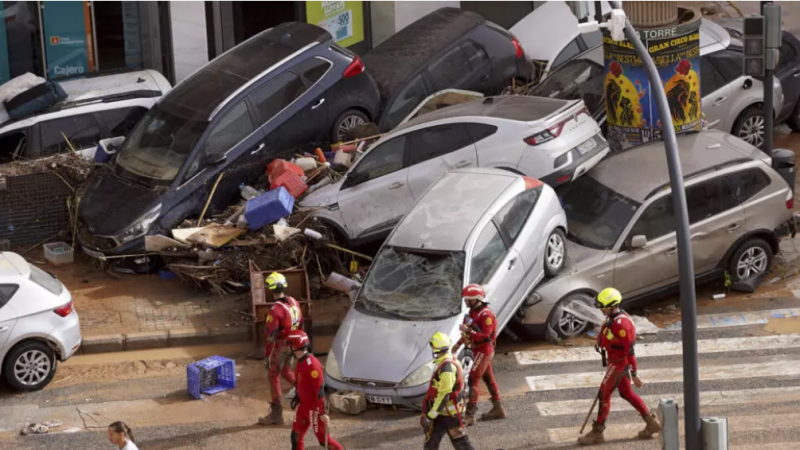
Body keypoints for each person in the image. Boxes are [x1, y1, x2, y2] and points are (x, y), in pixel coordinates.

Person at [578, 287, 662, 445]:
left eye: (603, 307)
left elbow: (629, 351)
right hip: (614, 361)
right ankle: (651, 423)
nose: (601, 310)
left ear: (612, 306)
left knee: (604, 394)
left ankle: (597, 433)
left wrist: (635, 374)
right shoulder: (613, 317)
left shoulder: (622, 324)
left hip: (618, 364)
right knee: (626, 393)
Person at [451, 284, 505, 426]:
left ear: (475, 299)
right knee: (488, 378)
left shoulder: (486, 315)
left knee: (473, 380)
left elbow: (486, 337)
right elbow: (467, 331)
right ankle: (498, 409)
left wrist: (469, 332)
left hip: (484, 350)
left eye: (467, 299)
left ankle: (470, 416)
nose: (465, 301)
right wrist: (458, 343)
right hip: (477, 350)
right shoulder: (471, 313)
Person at [286, 329, 344, 450]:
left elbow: (319, 390)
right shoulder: (300, 362)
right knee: (295, 437)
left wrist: (322, 413)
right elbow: (301, 383)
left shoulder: (312, 365)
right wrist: (297, 396)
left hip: (314, 409)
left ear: (296, 346)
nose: (289, 348)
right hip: (303, 407)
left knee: (324, 441)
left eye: (291, 344)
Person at [259, 271, 304, 426]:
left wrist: (267, 355)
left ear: (270, 289)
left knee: (273, 375)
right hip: (294, 342)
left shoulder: (275, 310)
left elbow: (271, 335)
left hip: (281, 345)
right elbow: (301, 324)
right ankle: (308, 393)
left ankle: (276, 415)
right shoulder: (294, 302)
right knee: (286, 371)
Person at [420, 332, 475, 450]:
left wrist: (430, 416)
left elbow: (444, 395)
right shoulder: (448, 361)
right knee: (431, 442)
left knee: (461, 443)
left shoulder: (447, 369)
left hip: (449, 414)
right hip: (442, 412)